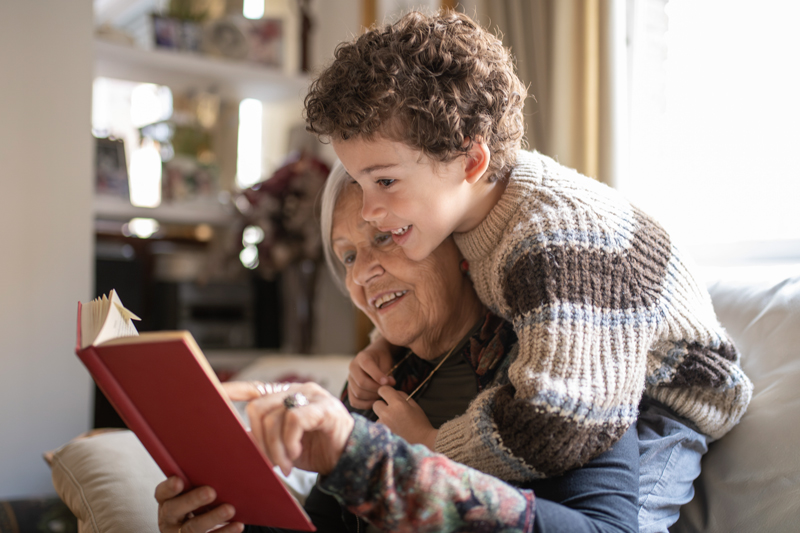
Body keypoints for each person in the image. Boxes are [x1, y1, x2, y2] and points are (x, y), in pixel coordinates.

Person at [304, 9, 753, 531]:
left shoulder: (558, 242)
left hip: (665, 393)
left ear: (472, 161)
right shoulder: (471, 205)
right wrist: (387, 345)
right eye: (361, 184)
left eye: (383, 182)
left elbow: (555, 425)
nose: (367, 209)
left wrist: (430, 449)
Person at [155, 163, 640, 533]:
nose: (361, 272)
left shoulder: (561, 358)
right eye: (347, 255)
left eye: (384, 237)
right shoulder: (374, 383)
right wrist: (228, 521)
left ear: (458, 238)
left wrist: (363, 458)